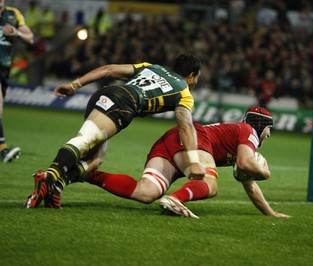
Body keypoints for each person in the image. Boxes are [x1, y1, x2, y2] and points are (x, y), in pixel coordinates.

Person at [26, 106, 290, 219]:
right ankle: (175, 199)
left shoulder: (241, 135)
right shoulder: (249, 132)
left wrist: (270, 213)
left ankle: (81, 174)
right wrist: (264, 171)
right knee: (210, 183)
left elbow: (248, 182)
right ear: (261, 125)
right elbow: (245, 165)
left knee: (146, 192)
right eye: (269, 129)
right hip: (192, 139)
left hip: (171, 141)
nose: (269, 135)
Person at [25, 53, 205, 208]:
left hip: (107, 93)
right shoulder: (184, 94)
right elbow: (186, 126)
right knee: (86, 139)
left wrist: (74, 86)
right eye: (197, 78)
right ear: (191, 76)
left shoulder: (152, 67)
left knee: (95, 160)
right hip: (123, 104)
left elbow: (108, 70)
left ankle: (56, 187)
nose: (195, 82)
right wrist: (194, 161)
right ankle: (49, 176)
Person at [0, 0, 34, 162]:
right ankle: (3, 149)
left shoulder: (13, 14)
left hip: (4, 67)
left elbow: (30, 38)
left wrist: (16, 33)